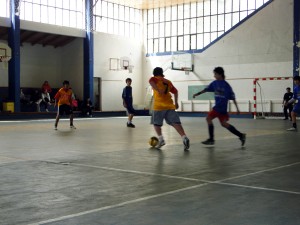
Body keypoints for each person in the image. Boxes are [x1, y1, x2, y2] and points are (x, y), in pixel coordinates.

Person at [193, 67, 246, 146]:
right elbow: (206, 89)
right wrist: (197, 94)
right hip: (221, 109)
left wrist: (237, 109)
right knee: (224, 124)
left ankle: (211, 139)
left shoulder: (226, 86)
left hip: (219, 108)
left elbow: (233, 98)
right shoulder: (214, 83)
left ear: (220, 74)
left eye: (215, 74)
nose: (214, 76)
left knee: (208, 118)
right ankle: (241, 135)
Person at [149, 67, 190, 151]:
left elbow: (151, 81)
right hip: (169, 105)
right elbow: (176, 91)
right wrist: (176, 102)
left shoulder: (155, 79)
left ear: (155, 74)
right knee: (175, 123)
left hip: (159, 106)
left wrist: (157, 89)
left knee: (156, 124)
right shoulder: (168, 82)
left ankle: (161, 140)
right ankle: (184, 137)